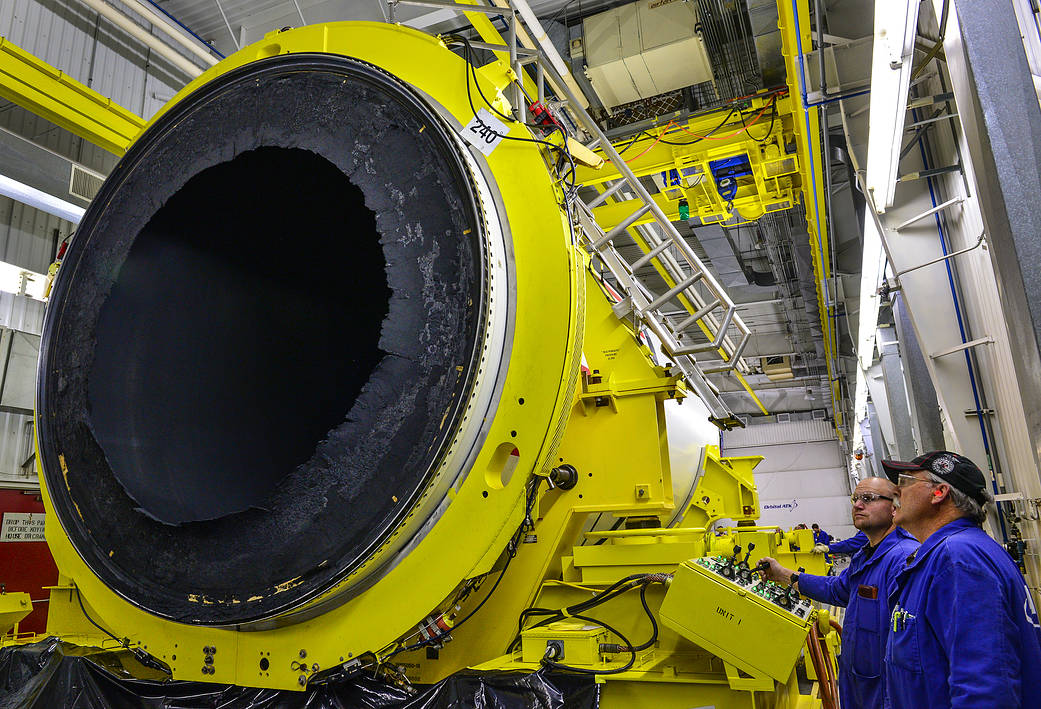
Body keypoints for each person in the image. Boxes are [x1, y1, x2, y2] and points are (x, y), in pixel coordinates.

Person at [882, 451, 1041, 708]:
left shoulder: (958, 559)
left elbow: (984, 688)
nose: (895, 492)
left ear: (939, 493)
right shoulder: (948, 555)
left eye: (904, 481)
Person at [760, 477, 918, 709]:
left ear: (894, 508)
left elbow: (913, 647)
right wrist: (784, 575)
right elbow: (837, 590)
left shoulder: (902, 558)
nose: (857, 505)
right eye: (855, 499)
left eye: (868, 498)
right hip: (858, 685)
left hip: (886, 694)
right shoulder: (865, 555)